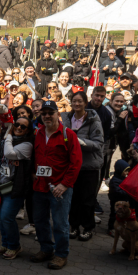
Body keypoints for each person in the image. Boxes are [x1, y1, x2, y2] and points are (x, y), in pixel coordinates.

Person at [30, 100, 83, 270]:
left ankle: (61, 254)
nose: (46, 116)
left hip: (60, 188)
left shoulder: (68, 135)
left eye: (50, 113)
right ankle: (46, 249)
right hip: (40, 186)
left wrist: (65, 185)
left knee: (60, 224)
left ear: (57, 114)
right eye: (43, 113)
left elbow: (76, 163)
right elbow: (34, 157)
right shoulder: (38, 133)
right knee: (39, 221)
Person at [0, 115, 34, 259]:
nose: (19, 128)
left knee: (7, 217)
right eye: (16, 124)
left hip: (15, 188)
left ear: (27, 131)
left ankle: (14, 246)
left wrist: (7, 135)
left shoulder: (27, 145)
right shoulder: (6, 140)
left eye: (23, 126)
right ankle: (5, 243)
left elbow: (9, 153)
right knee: (1, 218)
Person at [61, 91, 104, 242]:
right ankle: (73, 226)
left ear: (86, 103)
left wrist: (78, 141)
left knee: (87, 199)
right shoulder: (65, 118)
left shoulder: (93, 119)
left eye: (80, 101)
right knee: (72, 198)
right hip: (71, 166)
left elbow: (99, 144)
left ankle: (87, 227)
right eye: (74, 101)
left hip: (89, 166)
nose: (77, 104)